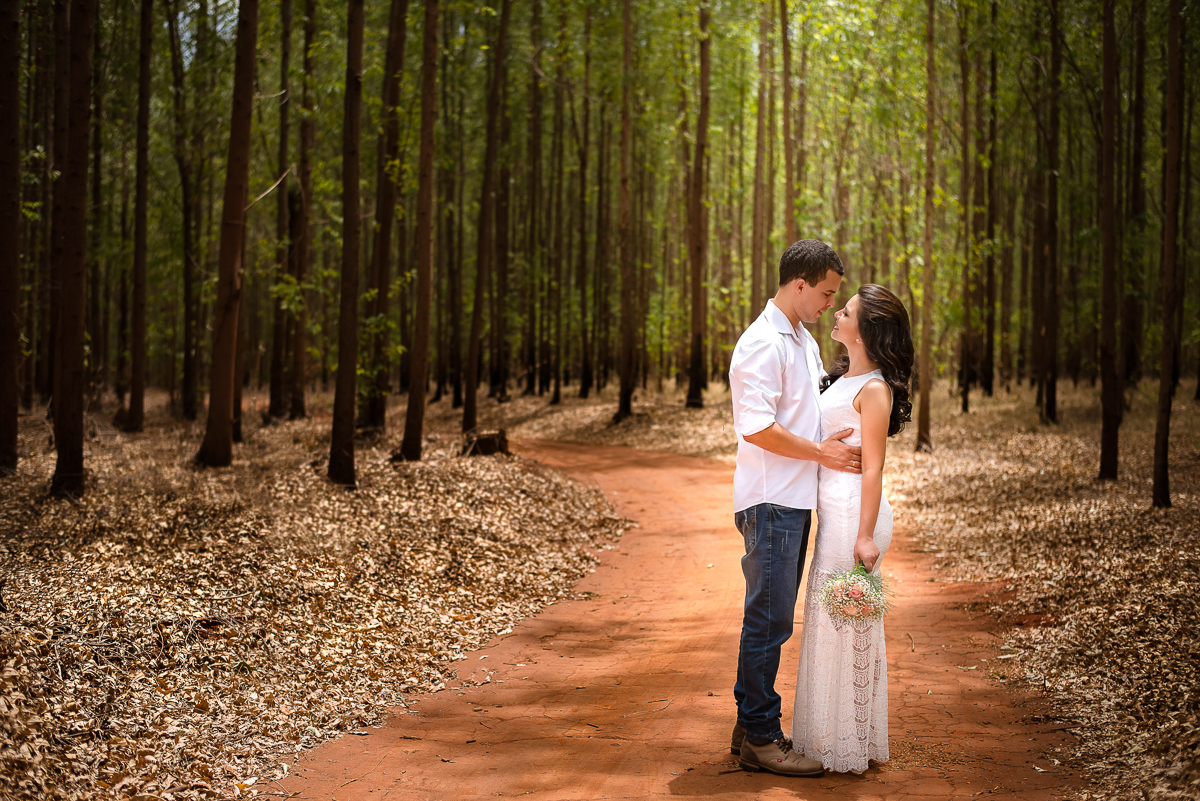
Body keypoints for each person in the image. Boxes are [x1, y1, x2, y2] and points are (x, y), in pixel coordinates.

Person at [727, 239, 861, 777]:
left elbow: (806, 410)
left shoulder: (800, 339)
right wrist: (821, 451)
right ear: (799, 283)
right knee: (769, 621)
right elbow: (756, 426)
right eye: (826, 292)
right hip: (771, 501)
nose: (831, 302)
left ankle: (746, 728)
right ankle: (762, 738)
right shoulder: (762, 342)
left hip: (795, 501)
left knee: (772, 617)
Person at [790, 283, 915, 774]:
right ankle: (827, 734)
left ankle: (851, 741)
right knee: (827, 619)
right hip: (831, 510)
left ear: (864, 331)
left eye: (845, 310)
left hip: (852, 516)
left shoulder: (876, 389)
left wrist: (865, 536)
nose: (836, 313)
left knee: (847, 618)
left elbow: (873, 469)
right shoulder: (840, 378)